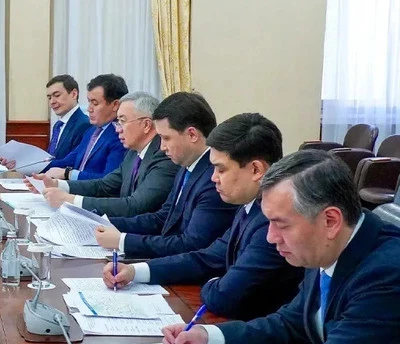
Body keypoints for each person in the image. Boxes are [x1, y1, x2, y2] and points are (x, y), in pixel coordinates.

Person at [163, 150, 400, 344]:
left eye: (281, 224)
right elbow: (290, 322)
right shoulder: (328, 245)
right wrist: (210, 337)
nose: (271, 237)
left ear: (330, 220)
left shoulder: (386, 274)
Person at [105, 113, 302, 319]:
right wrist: (135, 271)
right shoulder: (250, 207)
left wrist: (213, 281)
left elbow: (222, 296)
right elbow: (207, 258)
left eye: (221, 170)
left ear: (255, 169)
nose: (213, 178)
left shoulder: (271, 224)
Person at [94, 92, 237, 258]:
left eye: (166, 138)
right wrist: (105, 223)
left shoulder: (213, 180)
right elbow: (163, 218)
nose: (162, 147)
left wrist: (123, 241)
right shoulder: (187, 165)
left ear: (192, 134)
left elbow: (190, 244)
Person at [38, 91, 177, 217]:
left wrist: (72, 200)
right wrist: (58, 184)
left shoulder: (164, 156)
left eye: (122, 121)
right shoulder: (133, 153)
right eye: (118, 122)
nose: (117, 129)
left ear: (146, 125)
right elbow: (104, 185)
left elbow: (135, 205)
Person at [40, 74, 128, 179]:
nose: (89, 109)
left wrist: (68, 174)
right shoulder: (91, 132)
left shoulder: (121, 136)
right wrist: (29, 166)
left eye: (95, 103)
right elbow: (67, 161)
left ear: (115, 105)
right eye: (89, 102)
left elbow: (109, 181)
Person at [0, 75, 90, 171]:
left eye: (57, 95)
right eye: (49, 98)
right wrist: (18, 161)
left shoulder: (84, 124)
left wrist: (24, 164)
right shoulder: (58, 125)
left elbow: (71, 163)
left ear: (74, 94)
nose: (52, 102)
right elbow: (50, 159)